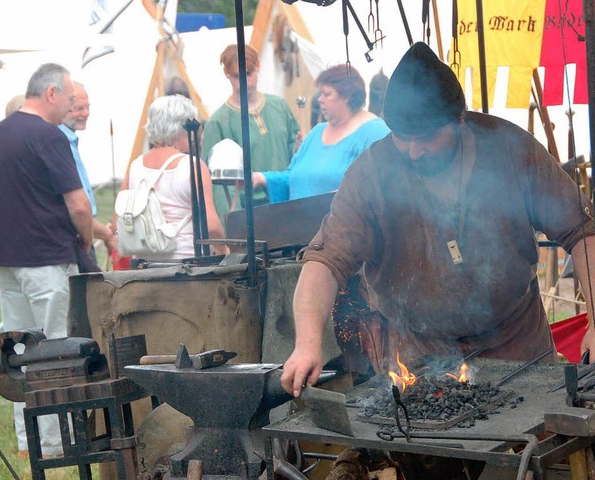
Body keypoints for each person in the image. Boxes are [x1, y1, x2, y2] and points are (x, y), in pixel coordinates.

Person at [280, 41, 595, 399]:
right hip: (418, 357)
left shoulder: (509, 149)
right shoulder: (372, 174)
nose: (414, 151)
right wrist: (306, 343)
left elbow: (581, 231)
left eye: (427, 138)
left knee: (531, 447)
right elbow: (325, 260)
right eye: (402, 138)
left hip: (518, 345)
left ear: (459, 119)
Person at [0, 63, 93, 458]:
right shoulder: (49, 136)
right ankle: (56, 443)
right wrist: (84, 240)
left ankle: (28, 441)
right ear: (50, 94)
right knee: (54, 353)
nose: (70, 107)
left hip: (7, 259)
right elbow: (78, 204)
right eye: (68, 99)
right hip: (46, 257)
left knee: (20, 354)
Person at [252, 64, 390, 203]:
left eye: (327, 94)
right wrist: (262, 178)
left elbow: (382, 188)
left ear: (347, 96)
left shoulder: (375, 132)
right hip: (300, 222)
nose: (319, 99)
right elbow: (293, 178)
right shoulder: (317, 132)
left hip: (342, 224)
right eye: (320, 94)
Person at [114, 94, 228, 261]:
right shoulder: (193, 167)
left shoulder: (135, 167)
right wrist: (223, 249)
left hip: (145, 265)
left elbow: (118, 218)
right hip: (186, 266)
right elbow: (210, 225)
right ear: (181, 130)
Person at [201, 44, 300, 223]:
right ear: (227, 75)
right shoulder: (219, 122)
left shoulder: (279, 106)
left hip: (288, 204)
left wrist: (301, 147)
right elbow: (218, 186)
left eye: (248, 74)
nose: (244, 81)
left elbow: (295, 156)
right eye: (237, 76)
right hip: (250, 214)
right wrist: (234, 224)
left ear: (258, 67)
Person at [60, 81, 118, 260]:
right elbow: (77, 208)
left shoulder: (70, 142)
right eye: (78, 108)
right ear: (62, 108)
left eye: (87, 107)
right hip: (77, 240)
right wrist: (106, 234)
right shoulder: (60, 144)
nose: (85, 113)